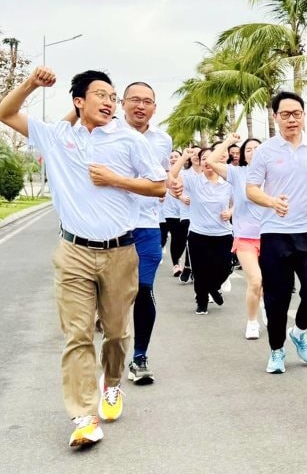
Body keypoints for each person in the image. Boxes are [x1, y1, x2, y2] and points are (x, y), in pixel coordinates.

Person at [0, 67, 166, 448]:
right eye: (101, 95)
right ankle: (84, 417)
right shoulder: (58, 138)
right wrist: (31, 85)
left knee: (118, 334)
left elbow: (159, 188)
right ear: (79, 101)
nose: (109, 101)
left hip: (121, 251)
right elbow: (4, 114)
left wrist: (115, 180)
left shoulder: (128, 140)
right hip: (73, 251)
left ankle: (114, 382)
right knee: (77, 335)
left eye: (112, 95)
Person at [247, 91, 307, 375]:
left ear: (304, 115)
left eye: (297, 114)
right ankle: (277, 350)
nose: (291, 119)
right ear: (275, 116)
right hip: (275, 233)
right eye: (285, 114)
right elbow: (251, 188)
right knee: (277, 299)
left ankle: (300, 331)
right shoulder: (265, 151)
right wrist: (271, 202)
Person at [118, 82, 172, 386]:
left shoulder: (162, 140)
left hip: (148, 226)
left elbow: (160, 178)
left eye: (147, 101)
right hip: (112, 226)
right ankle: (111, 353)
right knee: (113, 297)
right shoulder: (106, 134)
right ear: (122, 103)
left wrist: (166, 189)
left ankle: (139, 357)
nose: (141, 106)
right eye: (135, 100)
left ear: (154, 106)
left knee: (143, 290)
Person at [206, 134, 267, 339]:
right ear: (242, 155)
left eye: (257, 148)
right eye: (248, 149)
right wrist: (228, 142)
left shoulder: (274, 173)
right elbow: (211, 161)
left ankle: (266, 307)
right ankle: (252, 322)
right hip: (245, 237)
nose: (253, 152)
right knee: (255, 280)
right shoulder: (237, 173)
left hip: (272, 236)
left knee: (269, 282)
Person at [169, 147, 233, 314]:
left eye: (211, 158)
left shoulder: (228, 183)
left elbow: (237, 202)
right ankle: (202, 301)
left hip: (223, 234)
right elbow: (171, 177)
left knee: (225, 268)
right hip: (198, 234)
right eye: (204, 158)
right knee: (200, 270)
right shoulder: (194, 181)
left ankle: (213, 288)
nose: (207, 161)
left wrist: (230, 212)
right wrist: (183, 158)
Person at [177, 147, 201, 283]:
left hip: (203, 214)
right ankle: (190, 268)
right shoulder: (185, 174)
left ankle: (188, 266)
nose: (196, 156)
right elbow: (171, 188)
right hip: (187, 213)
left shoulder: (208, 173)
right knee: (190, 241)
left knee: (197, 242)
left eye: (199, 154)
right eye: (194, 154)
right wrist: (181, 197)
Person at [161, 151, 183, 276]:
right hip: (169, 210)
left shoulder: (186, 174)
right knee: (175, 237)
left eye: (176, 157)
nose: (173, 159)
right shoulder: (164, 173)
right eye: (171, 157)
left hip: (185, 210)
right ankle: (176, 264)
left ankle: (184, 263)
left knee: (182, 239)